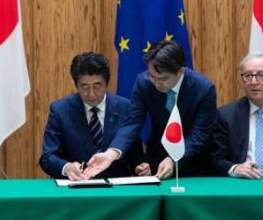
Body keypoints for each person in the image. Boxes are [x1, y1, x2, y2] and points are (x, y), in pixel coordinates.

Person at [84, 40, 217, 180]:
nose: (157, 83)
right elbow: (133, 123)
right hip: (157, 161)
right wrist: (111, 154)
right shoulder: (144, 83)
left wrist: (173, 159)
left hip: (194, 163)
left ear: (180, 71)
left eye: (163, 79)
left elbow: (199, 135)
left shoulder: (204, 89)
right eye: (152, 76)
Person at [39, 52, 144, 180]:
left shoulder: (126, 108)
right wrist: (66, 167)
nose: (91, 94)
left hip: (116, 189)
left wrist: (140, 167)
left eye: (97, 86)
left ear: (106, 83)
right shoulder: (60, 110)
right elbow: (47, 157)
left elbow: (135, 153)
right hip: (76, 187)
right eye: (85, 87)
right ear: (76, 85)